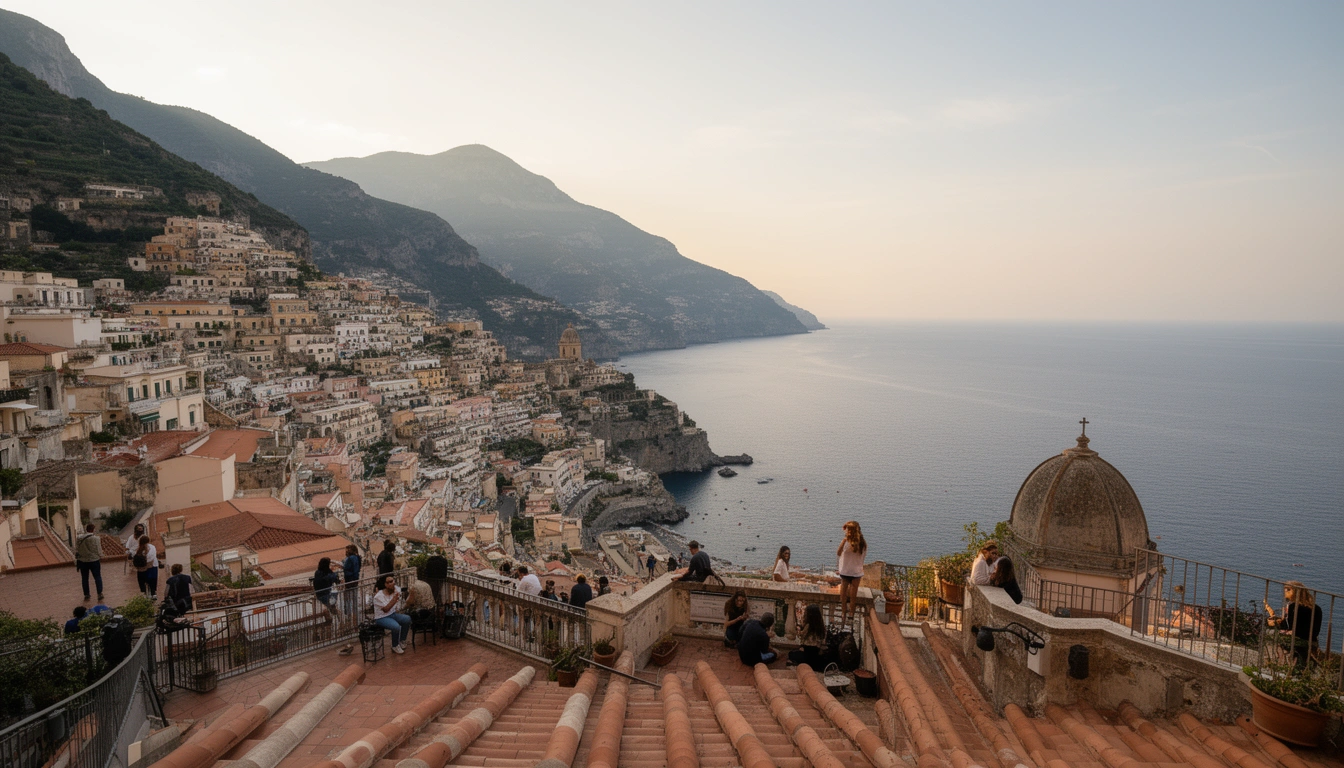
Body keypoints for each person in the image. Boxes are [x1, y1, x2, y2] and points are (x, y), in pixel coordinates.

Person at [1267, 581, 1324, 668]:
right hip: (1312, 639)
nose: (1284, 593)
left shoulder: (1293, 606)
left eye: (1287, 590)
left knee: (1268, 633)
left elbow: (1288, 626)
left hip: (1297, 638)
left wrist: (1275, 623)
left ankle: (1272, 662)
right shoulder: (1317, 608)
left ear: (1292, 591)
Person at [836, 521, 867, 627]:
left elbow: (838, 552)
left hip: (845, 571)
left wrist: (844, 541)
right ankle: (851, 614)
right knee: (853, 595)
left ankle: (843, 613)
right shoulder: (862, 543)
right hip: (856, 572)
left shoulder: (846, 542)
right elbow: (863, 557)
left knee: (843, 595)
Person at [372, 575, 412, 654]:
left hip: (392, 614)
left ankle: (402, 640)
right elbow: (386, 610)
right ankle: (395, 645)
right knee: (396, 626)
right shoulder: (378, 596)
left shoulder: (396, 589)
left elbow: (400, 591)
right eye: (389, 582)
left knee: (407, 619)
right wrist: (394, 600)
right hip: (382, 617)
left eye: (393, 581)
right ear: (385, 585)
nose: (393, 583)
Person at [75, 522, 104, 601]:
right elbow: (98, 549)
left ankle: (86, 594)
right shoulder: (96, 538)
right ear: (93, 530)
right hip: (94, 560)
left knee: (84, 578)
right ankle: (99, 593)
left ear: (86, 529)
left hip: (82, 561)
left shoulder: (79, 538)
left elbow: (76, 548)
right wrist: (101, 556)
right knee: (97, 577)